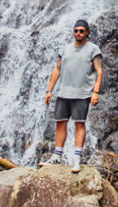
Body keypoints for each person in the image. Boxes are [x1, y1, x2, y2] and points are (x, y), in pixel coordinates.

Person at [41, 18, 102, 172]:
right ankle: (56, 157)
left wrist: (95, 92)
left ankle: (76, 159)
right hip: (63, 92)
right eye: (76, 31)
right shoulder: (65, 48)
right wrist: (49, 90)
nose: (78, 33)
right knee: (60, 122)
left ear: (87, 32)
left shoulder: (93, 49)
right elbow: (57, 69)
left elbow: (99, 70)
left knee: (79, 123)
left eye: (82, 31)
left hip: (82, 94)